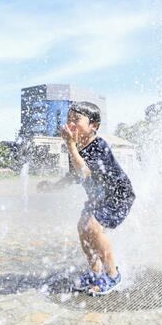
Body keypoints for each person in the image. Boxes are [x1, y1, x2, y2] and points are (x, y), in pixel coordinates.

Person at [37, 101, 135, 296]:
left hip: (118, 195)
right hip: (98, 198)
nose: (70, 124)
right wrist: (53, 187)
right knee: (83, 228)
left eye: (76, 120)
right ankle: (95, 271)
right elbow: (74, 175)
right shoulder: (76, 147)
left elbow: (85, 173)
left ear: (94, 126)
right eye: (68, 119)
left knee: (93, 227)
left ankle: (113, 274)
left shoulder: (99, 146)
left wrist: (71, 145)